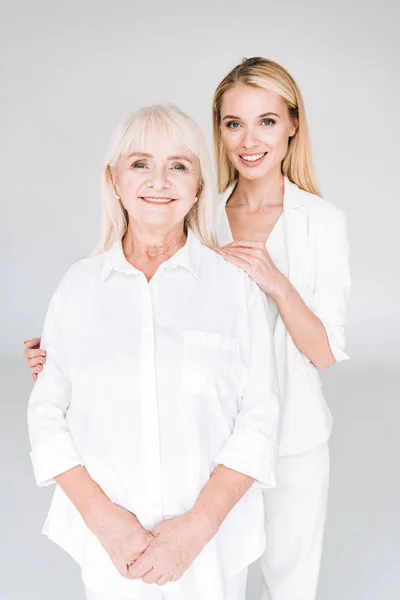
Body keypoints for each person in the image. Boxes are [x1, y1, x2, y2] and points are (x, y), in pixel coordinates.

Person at [26, 104, 280, 600]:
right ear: (114, 180)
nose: (159, 180)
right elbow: (47, 416)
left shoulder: (233, 288)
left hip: (210, 546)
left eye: (178, 166)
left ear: (198, 185)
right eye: (140, 163)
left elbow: (260, 417)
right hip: (110, 548)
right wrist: (104, 521)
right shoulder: (78, 287)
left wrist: (197, 528)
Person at [212, 57, 350, 600]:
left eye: (267, 121)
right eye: (233, 123)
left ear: (293, 123)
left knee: (289, 586)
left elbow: (323, 353)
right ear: (219, 129)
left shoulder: (322, 221)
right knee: (213, 581)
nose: (250, 140)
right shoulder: (199, 219)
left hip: (295, 438)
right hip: (215, 440)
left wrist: (276, 282)